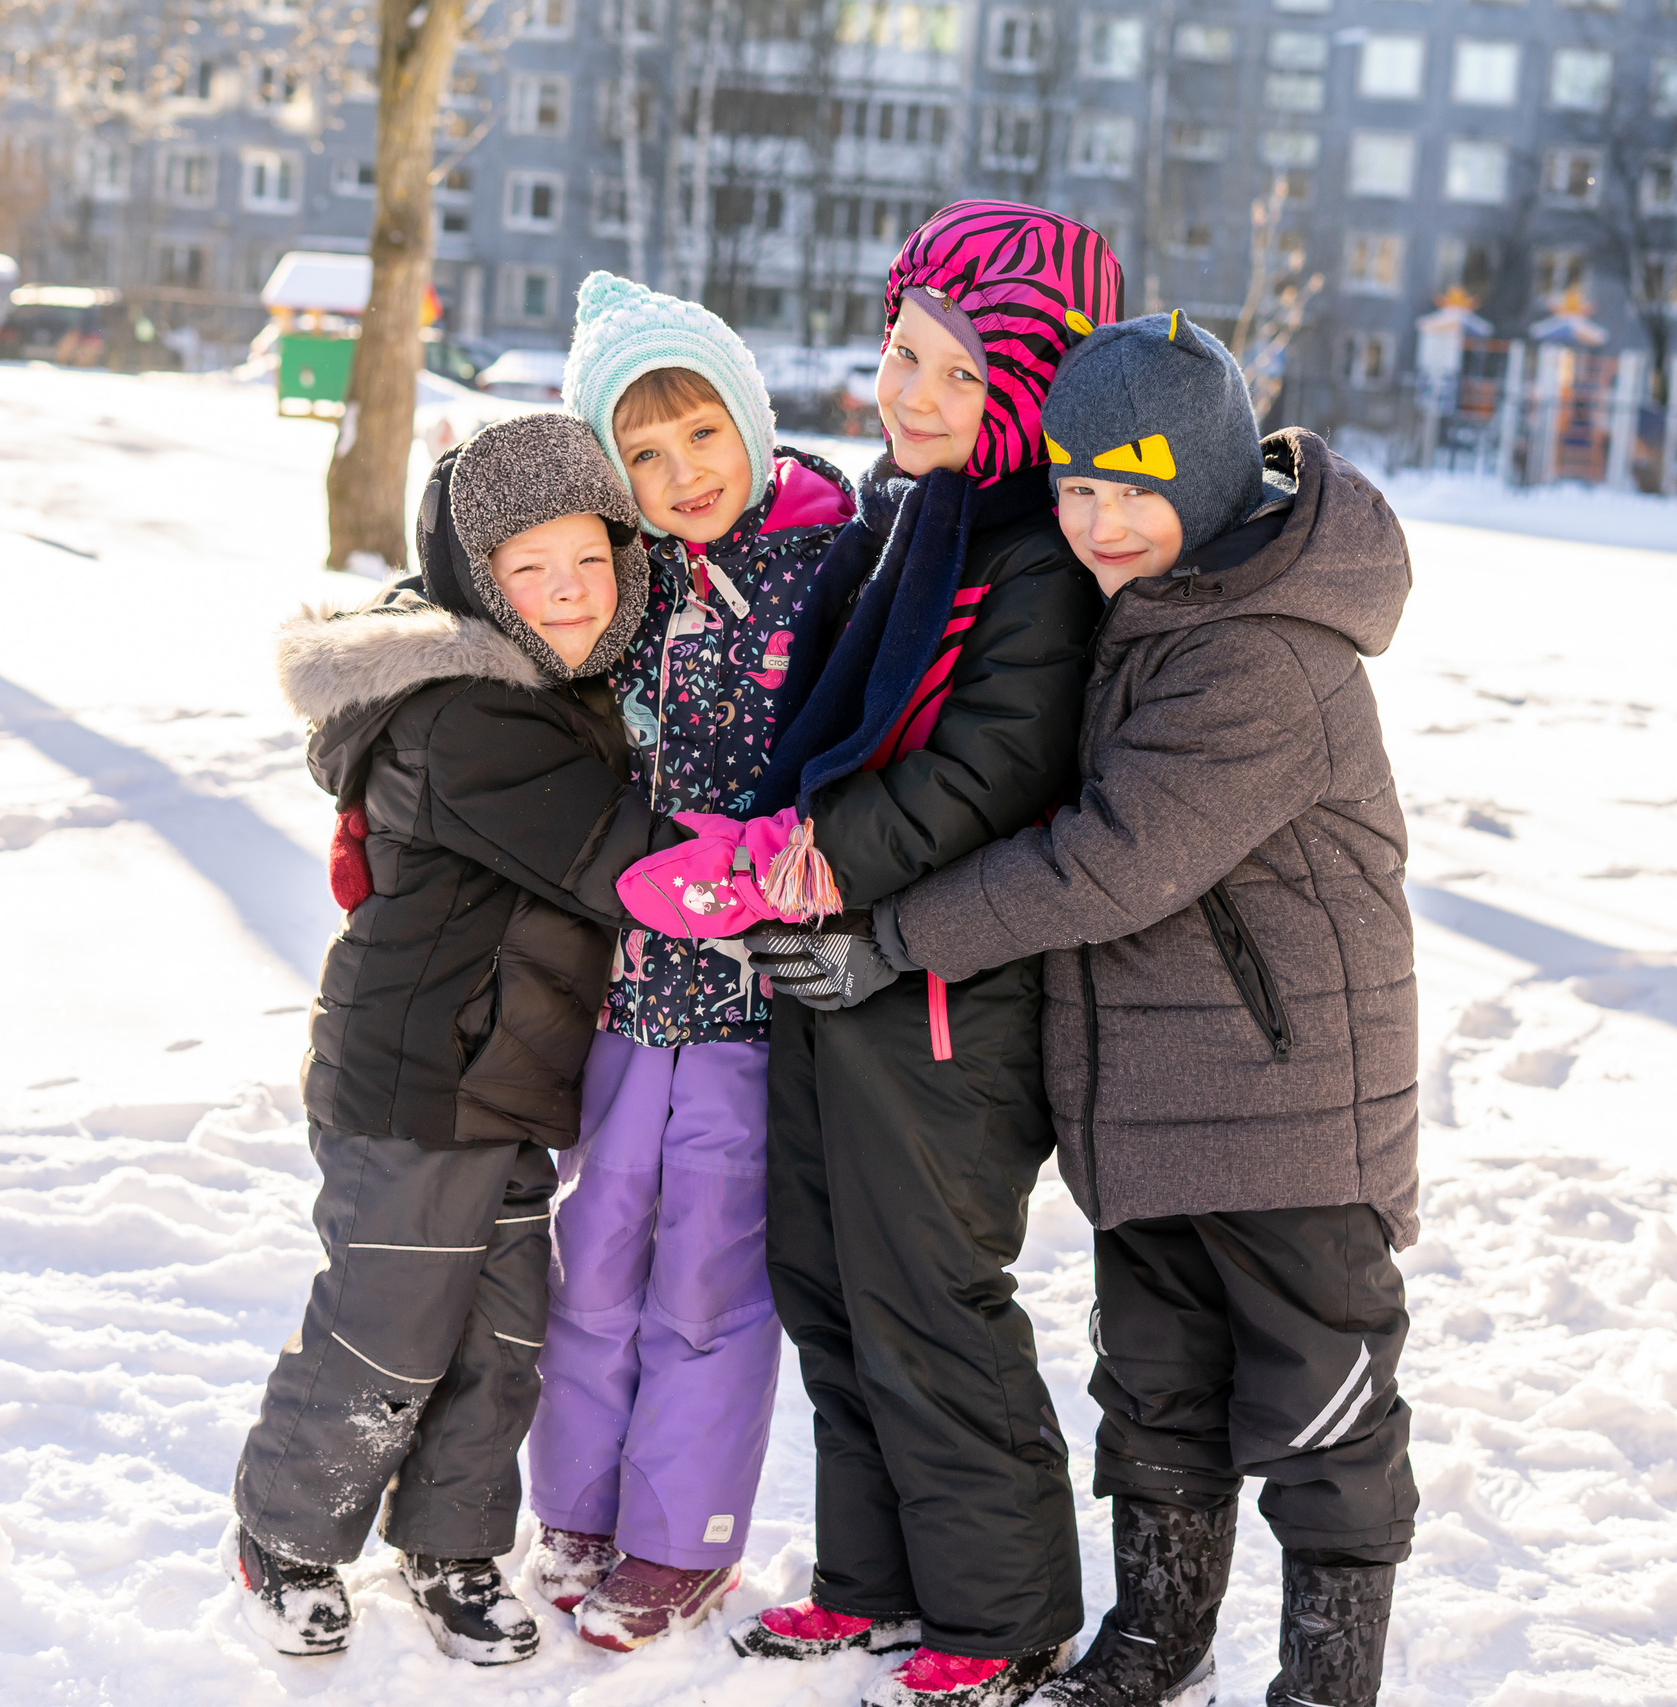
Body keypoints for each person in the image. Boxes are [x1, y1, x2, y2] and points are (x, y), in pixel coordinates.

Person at [796, 312, 1423, 1707]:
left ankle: (1326, 1682)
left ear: (1208, 481)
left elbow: (1113, 858)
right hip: (1149, 1103)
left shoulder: (1261, 651)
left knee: (1321, 1411)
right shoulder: (1157, 612)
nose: (1098, 521)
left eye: (1136, 489)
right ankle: (1152, 1644)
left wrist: (896, 936)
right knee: (1154, 1395)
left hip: (1286, 1113)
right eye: (1076, 485)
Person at [713, 201, 1125, 1707]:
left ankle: (1004, 1612)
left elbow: (995, 766)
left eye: (963, 372)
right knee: (825, 1283)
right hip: (831, 976)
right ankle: (875, 1581)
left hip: (948, 998)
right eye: (903, 353)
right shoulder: (902, 518)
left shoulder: (1035, 553)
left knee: (929, 1298)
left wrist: (816, 858)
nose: (915, 394)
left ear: (1031, 390)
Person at [227, 411, 702, 1664]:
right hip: (415, 1084)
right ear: (475, 583)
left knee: (501, 1336)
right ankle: (286, 1534)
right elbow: (622, 861)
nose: (570, 590)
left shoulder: (562, 691)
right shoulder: (468, 716)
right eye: (531, 568)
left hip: (502, 1080)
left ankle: (450, 1544)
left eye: (591, 559)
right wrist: (787, 871)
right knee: (388, 1325)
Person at [521, 272, 856, 1653]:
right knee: (593, 1256)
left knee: (707, 1278)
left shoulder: (833, 565)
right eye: (644, 454)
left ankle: (680, 1534)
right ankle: (576, 1509)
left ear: (751, 420)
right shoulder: (625, 582)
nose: (683, 474)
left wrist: (775, 853)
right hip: (621, 997)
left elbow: (877, 748)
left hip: (752, 1006)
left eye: (702, 433)